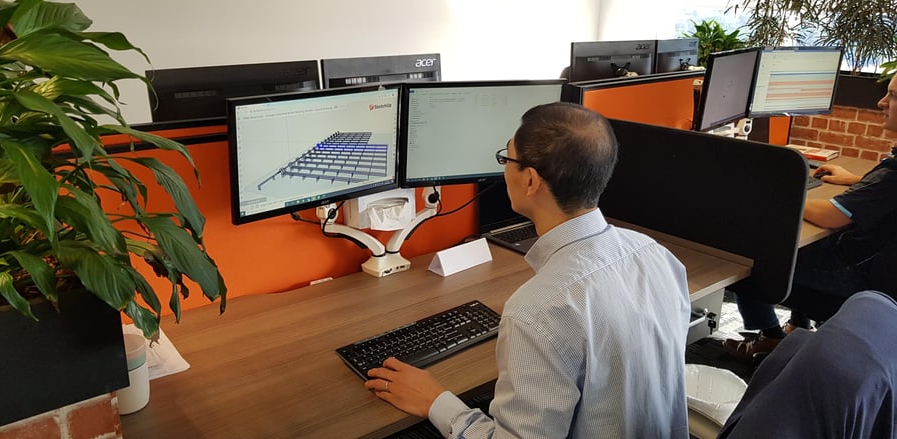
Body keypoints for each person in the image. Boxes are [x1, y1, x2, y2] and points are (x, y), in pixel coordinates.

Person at [364, 102, 692, 438]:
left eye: (507, 159)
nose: (504, 168)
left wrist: (435, 401)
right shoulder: (657, 256)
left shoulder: (540, 309)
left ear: (531, 180)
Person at [723, 73, 897, 362]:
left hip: (855, 278)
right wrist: (856, 180)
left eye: (892, 96)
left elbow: (831, 216)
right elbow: (884, 194)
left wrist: (778, 196)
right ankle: (798, 327)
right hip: (874, 268)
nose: (881, 102)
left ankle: (771, 338)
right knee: (801, 244)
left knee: (746, 251)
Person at [719, 291, 897, 438]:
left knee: (756, 263)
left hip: (868, 311)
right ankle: (785, 332)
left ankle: (772, 334)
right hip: (873, 316)